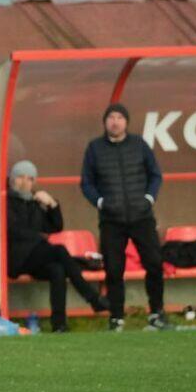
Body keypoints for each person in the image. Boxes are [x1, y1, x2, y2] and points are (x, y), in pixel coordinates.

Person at [80, 103, 169, 331]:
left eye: (120, 117)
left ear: (126, 122)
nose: (115, 122)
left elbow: (155, 175)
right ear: (105, 122)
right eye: (111, 117)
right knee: (113, 269)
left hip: (142, 217)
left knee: (154, 264)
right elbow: (86, 183)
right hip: (111, 220)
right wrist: (101, 202)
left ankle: (157, 313)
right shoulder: (95, 148)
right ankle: (116, 317)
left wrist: (148, 199)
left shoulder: (139, 144)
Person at [6, 159, 109, 333]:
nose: (25, 182)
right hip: (17, 258)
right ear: (12, 179)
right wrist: (40, 238)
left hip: (36, 256)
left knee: (57, 270)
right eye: (20, 177)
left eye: (30, 179)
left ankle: (59, 324)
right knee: (59, 250)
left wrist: (52, 204)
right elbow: (13, 231)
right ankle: (92, 297)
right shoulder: (6, 201)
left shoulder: (34, 202)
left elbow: (55, 227)